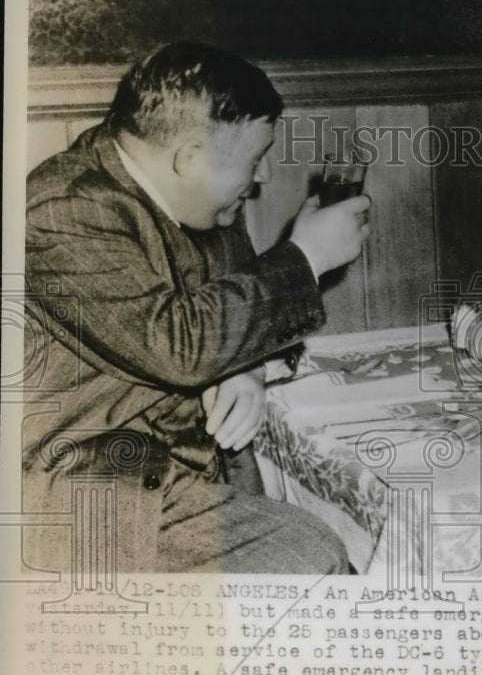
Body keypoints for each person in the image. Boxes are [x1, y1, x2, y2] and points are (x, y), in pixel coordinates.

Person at [22, 42, 370, 574]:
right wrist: (308, 257)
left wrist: (246, 368)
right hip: (86, 492)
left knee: (323, 553)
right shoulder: (62, 210)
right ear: (189, 158)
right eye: (254, 161)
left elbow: (230, 310)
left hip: (182, 469)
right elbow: (178, 346)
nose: (264, 180)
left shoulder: (198, 204)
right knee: (314, 560)